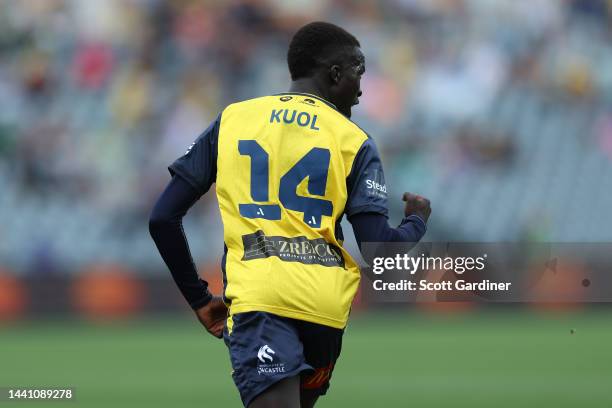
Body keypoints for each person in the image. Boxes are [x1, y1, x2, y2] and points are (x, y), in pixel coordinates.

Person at [149, 21, 431, 408]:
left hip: (261, 301)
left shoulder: (234, 120)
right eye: (358, 72)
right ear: (334, 74)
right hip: (324, 310)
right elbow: (380, 250)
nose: (362, 90)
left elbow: (162, 218)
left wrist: (199, 298)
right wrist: (416, 219)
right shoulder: (354, 141)